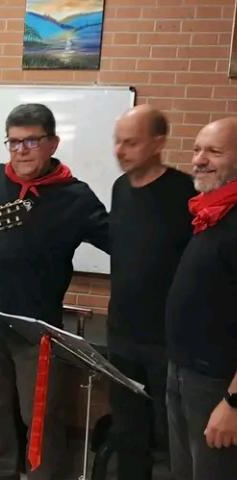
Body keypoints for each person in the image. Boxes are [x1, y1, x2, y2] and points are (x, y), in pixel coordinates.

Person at [0, 104, 109, 480]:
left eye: (31, 142)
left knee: (40, 415)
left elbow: (120, 242)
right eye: (14, 142)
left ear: (52, 143)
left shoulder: (76, 196)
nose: (21, 151)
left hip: (36, 329)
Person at [107, 105, 195, 479]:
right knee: (128, 432)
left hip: (168, 338)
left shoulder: (185, 192)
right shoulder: (119, 188)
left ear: (158, 143)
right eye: (117, 141)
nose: (120, 150)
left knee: (172, 436)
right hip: (121, 334)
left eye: (131, 142)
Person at [164, 116, 237, 479]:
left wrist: (233, 403)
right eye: (196, 150)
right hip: (183, 370)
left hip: (218, 385)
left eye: (214, 152)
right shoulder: (210, 211)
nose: (199, 160)